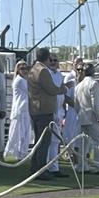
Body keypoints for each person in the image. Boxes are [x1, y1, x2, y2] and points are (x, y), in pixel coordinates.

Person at [27, 48, 72, 180]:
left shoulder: (33, 69)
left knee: (38, 141)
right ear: (46, 58)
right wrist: (65, 88)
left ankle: (35, 168)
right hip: (44, 110)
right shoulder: (42, 70)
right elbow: (51, 89)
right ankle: (40, 170)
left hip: (35, 110)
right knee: (44, 141)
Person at [74, 63, 99, 173]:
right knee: (98, 141)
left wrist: (80, 114)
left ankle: (82, 165)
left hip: (82, 116)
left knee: (84, 143)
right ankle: (98, 166)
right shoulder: (93, 83)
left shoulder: (78, 86)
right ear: (92, 71)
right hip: (92, 117)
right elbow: (95, 102)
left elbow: (76, 104)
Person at [4, 61, 32, 159]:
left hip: (25, 109)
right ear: (18, 70)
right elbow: (31, 91)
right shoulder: (20, 80)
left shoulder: (24, 80)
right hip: (20, 110)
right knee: (19, 134)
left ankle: (21, 153)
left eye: (26, 68)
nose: (25, 71)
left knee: (24, 133)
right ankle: (17, 153)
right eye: (22, 69)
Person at [46, 54, 68, 177]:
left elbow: (62, 94)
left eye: (55, 60)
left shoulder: (59, 74)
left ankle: (54, 167)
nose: (53, 62)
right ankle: (47, 167)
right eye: (51, 60)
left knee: (55, 141)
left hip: (59, 111)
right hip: (50, 110)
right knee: (48, 141)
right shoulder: (47, 74)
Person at [63, 57, 83, 146]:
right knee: (70, 134)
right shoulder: (69, 77)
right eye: (76, 64)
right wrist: (75, 105)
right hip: (72, 110)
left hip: (82, 111)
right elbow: (65, 95)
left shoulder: (85, 78)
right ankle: (70, 153)